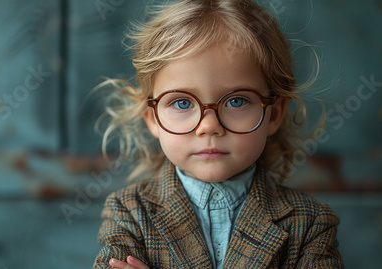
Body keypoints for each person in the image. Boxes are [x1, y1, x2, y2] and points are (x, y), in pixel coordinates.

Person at [93, 0, 344, 268]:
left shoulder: (311, 223)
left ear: (273, 114)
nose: (209, 126)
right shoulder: (128, 212)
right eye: (182, 103)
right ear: (152, 119)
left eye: (236, 101)